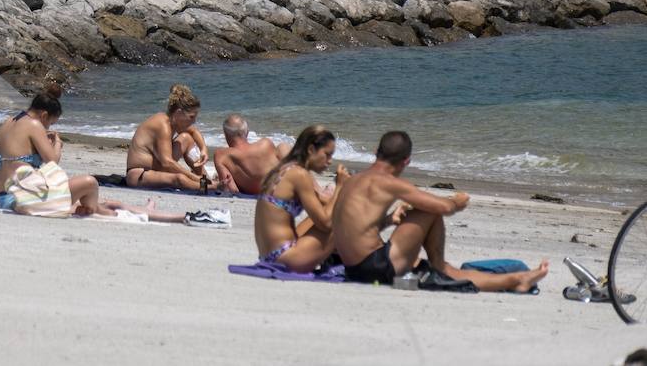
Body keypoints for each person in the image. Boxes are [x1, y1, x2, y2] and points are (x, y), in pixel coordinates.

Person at [332, 130, 548, 291]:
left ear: (376, 153)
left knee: (451, 270)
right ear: (406, 161)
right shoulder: (388, 182)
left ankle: (514, 279)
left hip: (354, 268)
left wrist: (389, 220)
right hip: (375, 267)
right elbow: (443, 208)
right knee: (429, 210)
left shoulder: (353, 181)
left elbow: (357, 228)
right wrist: (457, 200)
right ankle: (443, 268)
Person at [0, 163, 192, 223]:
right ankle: (169, 216)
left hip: (25, 196)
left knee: (112, 202)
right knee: (90, 185)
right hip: (25, 200)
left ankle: (158, 213)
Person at [253, 125, 350, 273]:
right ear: (311, 150)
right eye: (327, 155)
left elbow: (323, 203)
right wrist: (340, 187)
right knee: (341, 216)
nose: (330, 161)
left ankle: (335, 257)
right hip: (287, 258)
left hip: (269, 256)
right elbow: (325, 223)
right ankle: (361, 263)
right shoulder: (300, 175)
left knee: (331, 210)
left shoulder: (284, 169)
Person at [125, 84, 220, 191]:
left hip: (157, 168)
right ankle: (210, 186)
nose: (194, 121)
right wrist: (192, 177)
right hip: (140, 174)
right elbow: (166, 162)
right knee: (179, 178)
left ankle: (205, 178)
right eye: (191, 117)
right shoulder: (163, 124)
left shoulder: (173, 122)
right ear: (179, 113)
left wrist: (203, 149)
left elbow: (194, 131)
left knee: (186, 138)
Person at [212, 113, 289, 195]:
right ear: (247, 132)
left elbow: (231, 189)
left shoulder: (221, 155)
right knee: (282, 147)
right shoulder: (265, 143)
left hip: (263, 194)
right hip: (284, 188)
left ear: (226, 135)